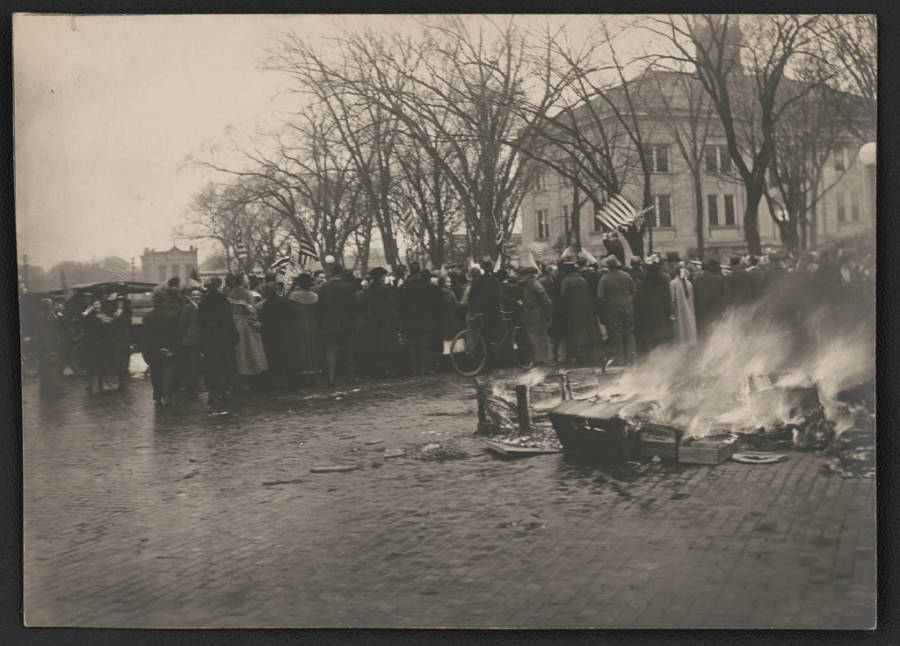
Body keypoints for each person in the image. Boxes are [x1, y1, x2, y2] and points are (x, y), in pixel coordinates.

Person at [198, 277, 238, 405]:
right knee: (225, 363)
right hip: (223, 337)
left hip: (209, 338)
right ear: (218, 286)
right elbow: (228, 320)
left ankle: (213, 391)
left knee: (211, 364)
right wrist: (234, 335)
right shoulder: (223, 300)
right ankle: (224, 390)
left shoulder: (204, 302)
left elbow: (199, 321)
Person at [317, 264, 357, 387]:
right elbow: (353, 308)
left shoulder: (324, 288)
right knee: (347, 350)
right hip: (346, 323)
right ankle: (349, 377)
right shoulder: (349, 287)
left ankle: (331, 377)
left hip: (329, 323)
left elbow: (320, 308)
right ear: (341, 274)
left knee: (331, 350)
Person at [141, 288, 181, 407]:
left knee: (156, 373)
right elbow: (176, 334)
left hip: (155, 351)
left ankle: (157, 396)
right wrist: (171, 349)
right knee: (168, 373)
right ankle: (167, 396)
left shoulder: (148, 317)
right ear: (166, 301)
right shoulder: (173, 315)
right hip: (170, 350)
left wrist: (158, 348)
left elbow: (146, 337)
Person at [228, 273, 268, 392]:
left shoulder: (231, 293)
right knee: (252, 352)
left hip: (235, 323)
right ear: (242, 281)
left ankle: (239, 380)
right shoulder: (247, 294)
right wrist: (256, 323)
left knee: (238, 353)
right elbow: (251, 311)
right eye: (245, 278)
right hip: (246, 325)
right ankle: (252, 380)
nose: (247, 280)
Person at [399, 262, 438, 377]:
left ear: (410, 271)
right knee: (425, 345)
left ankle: (415, 369)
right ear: (419, 271)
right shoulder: (428, 286)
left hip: (410, 321)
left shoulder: (404, 287)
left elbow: (400, 305)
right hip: (425, 319)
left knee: (412, 346)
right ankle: (425, 368)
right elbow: (434, 303)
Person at [360, 267, 400, 377]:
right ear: (382, 277)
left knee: (375, 345)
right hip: (386, 322)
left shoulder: (368, 291)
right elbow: (392, 305)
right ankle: (388, 369)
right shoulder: (385, 290)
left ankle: (377, 370)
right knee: (387, 346)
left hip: (372, 322)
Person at [597, 255, 636, 366]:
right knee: (629, 333)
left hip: (613, 309)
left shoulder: (604, 278)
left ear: (608, 267)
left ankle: (620, 360)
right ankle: (632, 358)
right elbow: (633, 291)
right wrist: (628, 300)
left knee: (616, 335)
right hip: (628, 307)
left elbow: (600, 297)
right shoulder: (627, 276)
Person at [559, 260, 601, 364]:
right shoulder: (581, 279)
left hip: (575, 309)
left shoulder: (566, 280)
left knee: (578, 332)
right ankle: (592, 356)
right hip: (587, 308)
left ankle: (581, 357)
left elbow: (563, 296)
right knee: (589, 331)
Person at [286, 273, 322, 386]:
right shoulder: (315, 296)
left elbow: (289, 311)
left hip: (298, 323)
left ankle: (301, 372)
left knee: (300, 346)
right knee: (312, 346)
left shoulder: (293, 296)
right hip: (312, 323)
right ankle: (313, 371)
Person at [259, 282, 294, 389]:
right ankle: (287, 380)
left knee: (274, 358)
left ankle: (277, 381)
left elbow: (263, 320)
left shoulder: (266, 305)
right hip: (284, 332)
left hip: (271, 334)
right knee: (286, 356)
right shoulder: (284, 301)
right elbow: (291, 316)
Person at [518, 266, 552, 364]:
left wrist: (548, 315)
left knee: (539, 336)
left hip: (536, 314)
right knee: (534, 337)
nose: (522, 277)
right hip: (530, 313)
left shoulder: (535, 285)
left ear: (529, 275)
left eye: (524, 275)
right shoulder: (529, 284)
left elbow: (547, 301)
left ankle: (542, 358)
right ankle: (538, 358)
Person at [466, 259, 502, 346]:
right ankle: (492, 346)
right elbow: (498, 296)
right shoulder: (494, 281)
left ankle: (481, 349)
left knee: (480, 331)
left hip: (478, 310)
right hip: (491, 311)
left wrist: (472, 310)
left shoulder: (475, 281)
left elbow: (470, 297)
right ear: (491, 268)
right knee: (493, 331)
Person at [692, 258, 728, 339]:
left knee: (703, 334)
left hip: (701, 310)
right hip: (715, 310)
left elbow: (694, 297)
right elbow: (723, 296)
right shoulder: (719, 279)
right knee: (716, 334)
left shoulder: (696, 279)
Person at [177, 287, 204, 393]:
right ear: (190, 296)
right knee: (193, 363)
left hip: (197, 338)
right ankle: (193, 385)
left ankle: (195, 384)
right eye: (194, 295)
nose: (196, 297)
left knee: (196, 362)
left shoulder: (200, 307)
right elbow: (182, 325)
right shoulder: (188, 307)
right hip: (191, 339)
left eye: (198, 295)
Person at [34, 298, 63, 398]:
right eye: (50, 304)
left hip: (46, 345)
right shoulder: (43, 316)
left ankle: (45, 389)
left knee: (46, 368)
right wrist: (49, 349)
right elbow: (44, 333)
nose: (51, 305)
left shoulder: (47, 315)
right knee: (51, 367)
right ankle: (55, 389)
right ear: (45, 305)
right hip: (46, 346)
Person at [670, 263, 698, 347]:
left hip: (679, 310)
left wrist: (672, 312)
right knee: (688, 328)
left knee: (680, 329)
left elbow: (672, 300)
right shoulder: (689, 284)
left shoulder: (672, 284)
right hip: (689, 310)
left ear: (675, 272)